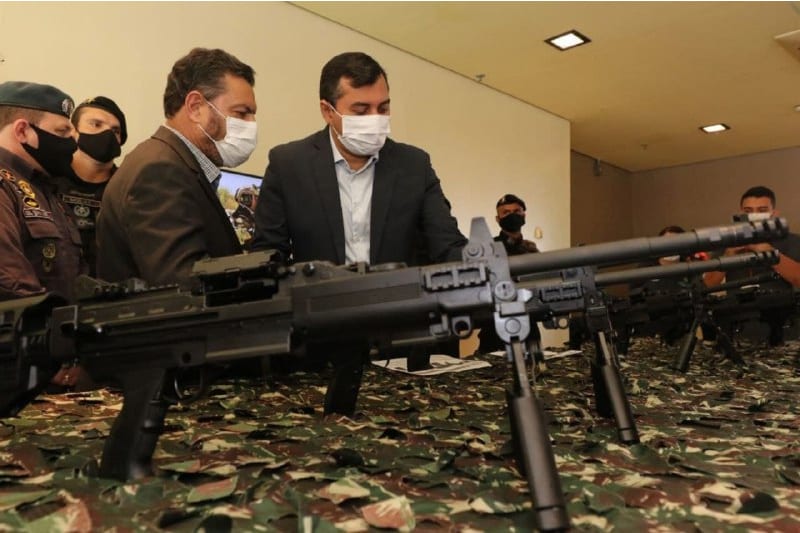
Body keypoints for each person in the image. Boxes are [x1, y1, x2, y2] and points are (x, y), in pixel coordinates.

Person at [249, 51, 467, 266]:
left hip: (398, 298)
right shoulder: (288, 165)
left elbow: (447, 245)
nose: (375, 119)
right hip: (320, 300)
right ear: (328, 111)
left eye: (383, 108)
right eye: (361, 111)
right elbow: (268, 255)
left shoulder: (414, 165)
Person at [97, 48, 257, 286]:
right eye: (242, 113)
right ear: (195, 107)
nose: (251, 125)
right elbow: (183, 286)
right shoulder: (159, 171)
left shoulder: (172, 163)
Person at [0, 81, 84, 302]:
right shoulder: (5, 186)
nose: (72, 142)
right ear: (22, 131)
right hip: (26, 331)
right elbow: (11, 285)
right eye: (61, 131)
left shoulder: (47, 188)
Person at [703, 186, 800, 344]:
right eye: (748, 210)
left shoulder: (793, 242)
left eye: (761, 210)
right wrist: (728, 256)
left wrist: (769, 253)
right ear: (740, 213)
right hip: (737, 333)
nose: (754, 215)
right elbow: (707, 285)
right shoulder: (727, 244)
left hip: (785, 332)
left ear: (774, 214)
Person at [53, 96, 127, 277]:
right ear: (73, 131)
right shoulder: (48, 182)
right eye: (96, 124)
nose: (107, 134)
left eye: (115, 131)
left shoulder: (127, 188)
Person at [476, 193, 541, 354]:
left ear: (524, 215)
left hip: (529, 324)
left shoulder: (531, 249)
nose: (512, 215)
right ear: (498, 219)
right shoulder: (488, 249)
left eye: (516, 211)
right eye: (506, 212)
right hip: (495, 325)